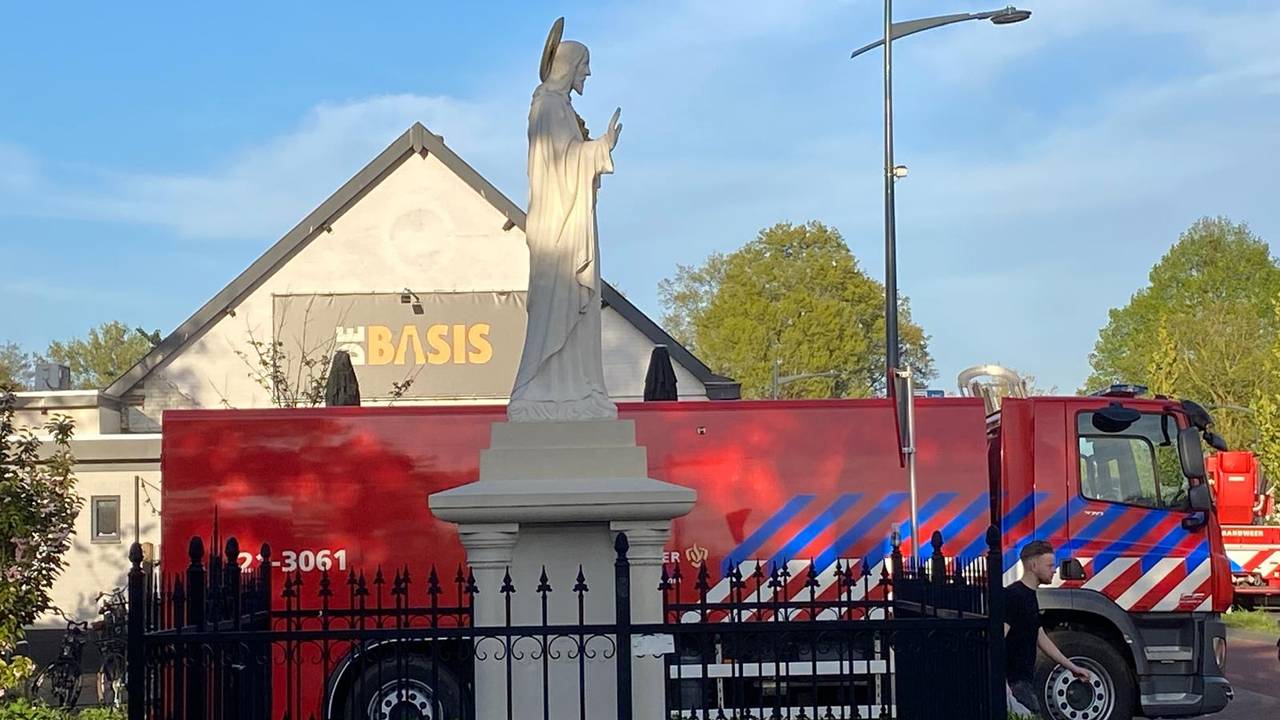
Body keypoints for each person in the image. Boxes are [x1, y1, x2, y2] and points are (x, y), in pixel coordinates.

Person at [1005, 540, 1090, 716]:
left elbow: (1040, 636)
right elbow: (997, 639)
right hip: (1015, 682)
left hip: (1022, 681)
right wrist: (1003, 684)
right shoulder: (1014, 597)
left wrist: (1072, 667)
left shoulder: (1028, 596)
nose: (1055, 570)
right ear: (1033, 565)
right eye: (1050, 565)